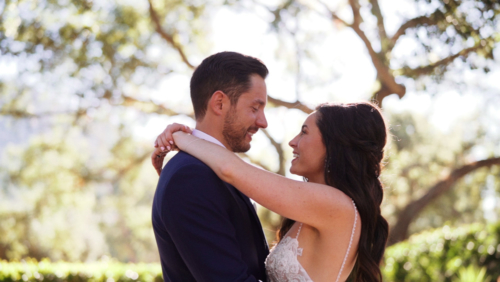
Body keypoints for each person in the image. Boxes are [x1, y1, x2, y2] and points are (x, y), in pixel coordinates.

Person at [153, 102, 390, 282]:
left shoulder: (336, 204)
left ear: (334, 144)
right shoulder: (317, 207)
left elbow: (231, 169)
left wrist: (181, 137)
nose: (293, 142)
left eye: (305, 132)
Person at [151, 51, 270, 281]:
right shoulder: (190, 177)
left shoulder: (214, 171)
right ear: (219, 103)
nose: (263, 122)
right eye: (255, 108)